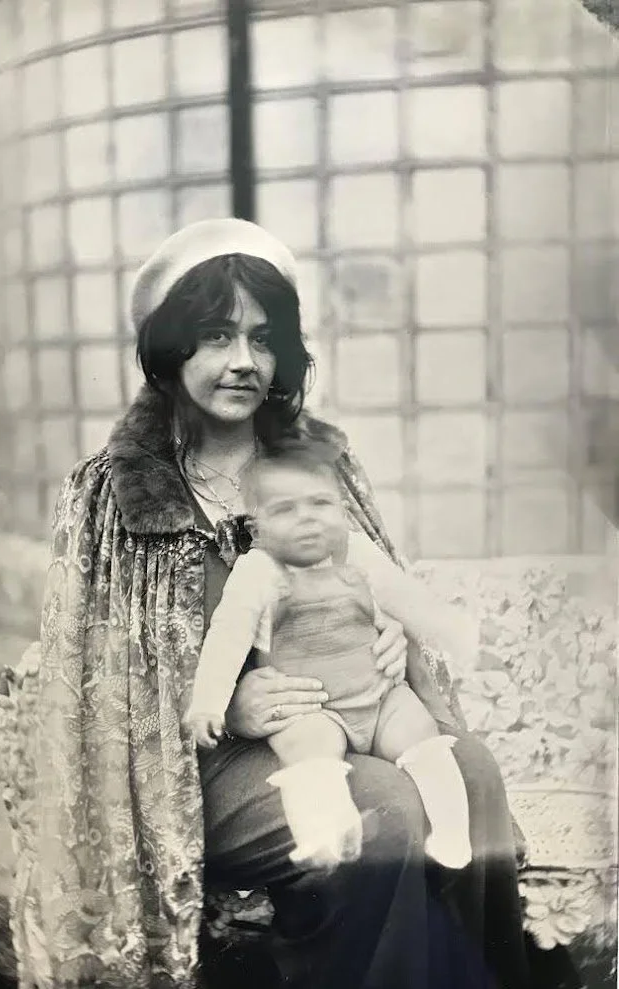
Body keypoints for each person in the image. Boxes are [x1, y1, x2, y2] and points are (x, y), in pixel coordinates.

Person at [32, 217, 531, 989]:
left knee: (473, 774)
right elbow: (96, 691)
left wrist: (391, 633)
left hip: (352, 709)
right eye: (217, 337)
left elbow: (374, 575)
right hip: (200, 764)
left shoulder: (318, 462)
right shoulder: (110, 492)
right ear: (171, 351)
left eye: (263, 340)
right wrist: (228, 701)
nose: (243, 362)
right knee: (382, 812)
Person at [186, 441, 475, 872]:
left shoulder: (356, 553)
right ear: (258, 525)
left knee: (425, 740)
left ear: (342, 510)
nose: (307, 518)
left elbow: (406, 599)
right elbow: (226, 639)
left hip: (380, 698)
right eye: (285, 510)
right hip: (312, 707)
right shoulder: (258, 572)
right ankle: (323, 835)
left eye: (320, 504)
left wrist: (450, 629)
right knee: (310, 754)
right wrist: (209, 702)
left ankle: (452, 836)